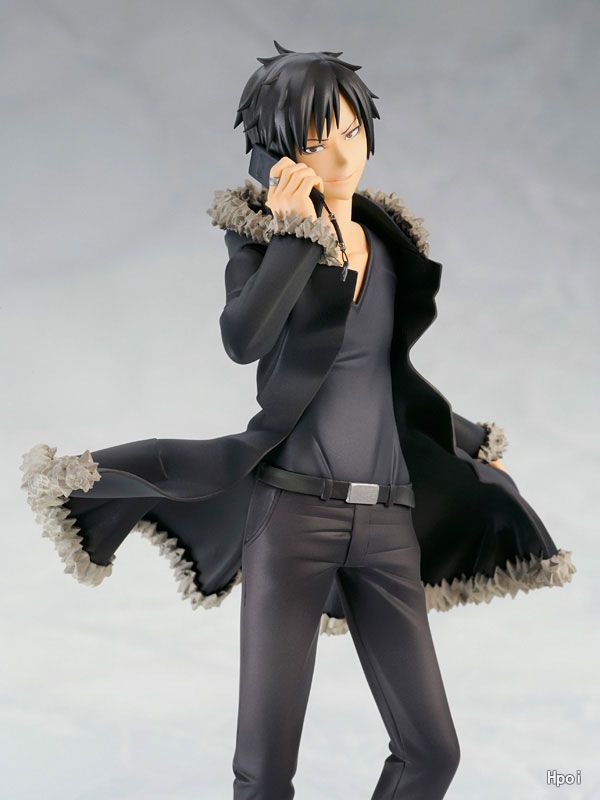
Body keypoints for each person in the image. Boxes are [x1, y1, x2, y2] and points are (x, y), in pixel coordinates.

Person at [20, 40, 576, 799]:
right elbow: (242, 340)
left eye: (351, 131)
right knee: (264, 772)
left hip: (387, 524)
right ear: (278, 157)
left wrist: (469, 441)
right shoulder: (260, 237)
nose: (343, 157)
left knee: (432, 753)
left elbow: (386, 377)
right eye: (316, 143)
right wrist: (292, 238)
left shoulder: (386, 243)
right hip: (292, 518)